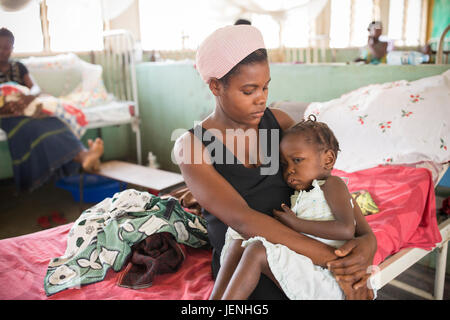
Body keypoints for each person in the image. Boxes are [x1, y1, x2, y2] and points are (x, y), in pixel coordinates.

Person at [174, 24, 377, 300]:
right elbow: (243, 220)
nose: (261, 99)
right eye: (249, 91)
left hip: (302, 250)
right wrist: (336, 262)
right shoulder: (193, 146)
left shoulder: (279, 124)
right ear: (215, 86)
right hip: (245, 262)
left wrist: (367, 240)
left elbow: (325, 183)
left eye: (266, 87)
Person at [210, 115, 375, 299]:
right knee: (238, 239)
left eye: (297, 160)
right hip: (309, 265)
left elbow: (345, 229)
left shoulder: (332, 184)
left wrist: (297, 224)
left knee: (256, 250)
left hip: (331, 278)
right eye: (284, 164)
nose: (289, 170)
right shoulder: (304, 193)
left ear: (328, 159)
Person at [0, 27, 104, 192]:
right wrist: (5, 108)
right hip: (6, 116)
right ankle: (84, 156)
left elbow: (34, 89)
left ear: (12, 48)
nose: (3, 51)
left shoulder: (19, 67)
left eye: (7, 47)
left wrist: (28, 98)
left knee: (53, 120)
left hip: (27, 108)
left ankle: (84, 155)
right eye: (0, 46)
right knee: (33, 127)